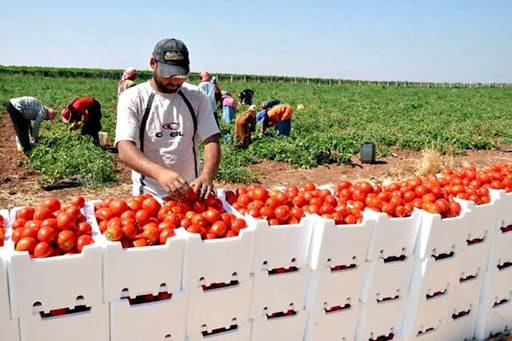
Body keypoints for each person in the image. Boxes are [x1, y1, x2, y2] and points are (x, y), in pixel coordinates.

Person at [115, 38, 221, 199]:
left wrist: (207, 175)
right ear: (153, 63)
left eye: (180, 74)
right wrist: (159, 173)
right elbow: (124, 149)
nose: (175, 80)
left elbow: (211, 139)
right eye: (168, 74)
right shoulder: (133, 98)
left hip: (191, 193)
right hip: (149, 196)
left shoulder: (197, 97)